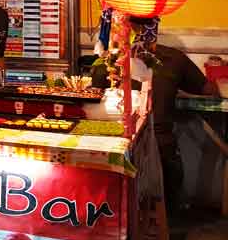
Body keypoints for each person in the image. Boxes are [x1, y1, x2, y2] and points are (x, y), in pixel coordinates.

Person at [92, 17, 220, 212]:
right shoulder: (173, 58)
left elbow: (94, 93)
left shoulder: (107, 61)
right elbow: (209, 90)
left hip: (114, 153)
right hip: (159, 154)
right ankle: (167, 214)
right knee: (167, 154)